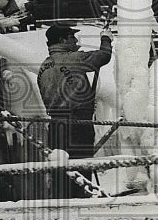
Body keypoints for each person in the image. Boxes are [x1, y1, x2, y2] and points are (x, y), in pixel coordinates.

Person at [37, 23, 113, 197]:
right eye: (72, 37)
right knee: (80, 167)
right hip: (77, 123)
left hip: (55, 125)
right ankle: (82, 203)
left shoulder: (44, 66)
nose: (75, 40)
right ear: (63, 40)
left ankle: (62, 207)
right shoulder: (73, 58)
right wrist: (106, 38)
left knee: (60, 169)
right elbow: (103, 56)